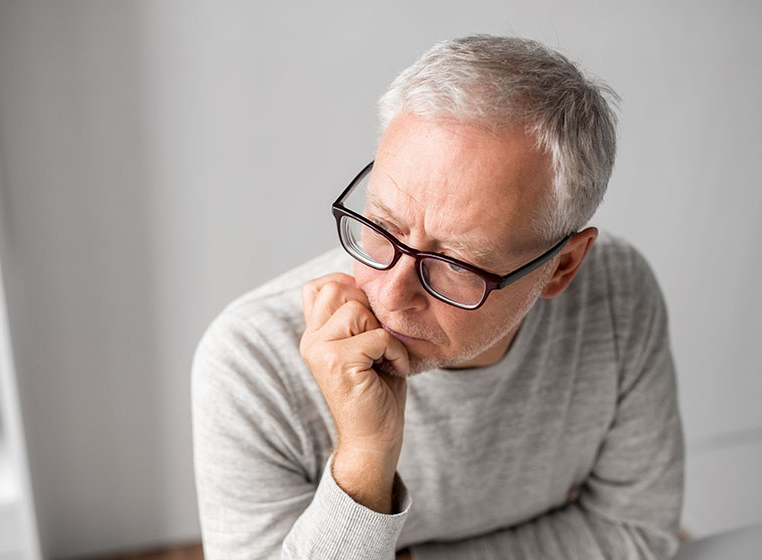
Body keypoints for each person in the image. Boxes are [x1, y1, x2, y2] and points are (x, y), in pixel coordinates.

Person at [191, 34, 684, 559]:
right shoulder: (251, 362)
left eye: (453, 264)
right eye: (382, 225)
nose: (390, 292)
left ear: (561, 267)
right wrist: (364, 461)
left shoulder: (616, 297)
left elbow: (633, 533)